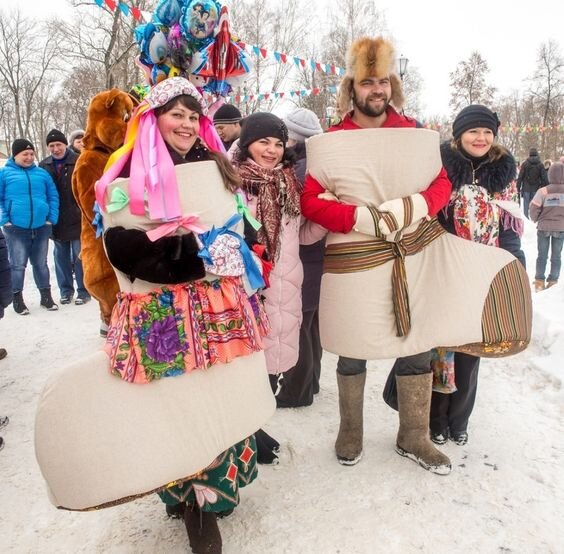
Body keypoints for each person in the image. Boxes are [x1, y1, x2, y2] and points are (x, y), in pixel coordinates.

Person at [36, 77, 274, 554]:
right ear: (155, 118)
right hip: (161, 311)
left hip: (217, 309)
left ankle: (216, 488)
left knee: (218, 395)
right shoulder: (126, 172)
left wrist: (235, 248)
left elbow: (237, 225)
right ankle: (189, 502)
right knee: (174, 402)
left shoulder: (215, 167)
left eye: (192, 115)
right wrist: (192, 255)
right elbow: (120, 243)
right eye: (176, 114)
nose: (185, 124)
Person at [300, 36, 453, 474]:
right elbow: (310, 200)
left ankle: (414, 435)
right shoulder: (334, 140)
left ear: (392, 85)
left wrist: (414, 206)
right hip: (356, 253)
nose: (377, 90)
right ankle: (350, 430)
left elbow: (440, 182)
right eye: (368, 82)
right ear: (353, 87)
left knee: (417, 343)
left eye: (383, 81)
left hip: (410, 251)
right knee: (353, 342)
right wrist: (357, 217)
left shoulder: (412, 133)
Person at [429, 104, 525, 446]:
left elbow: (510, 226)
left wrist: (515, 263)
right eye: (473, 131)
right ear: (459, 135)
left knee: (472, 350)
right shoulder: (440, 168)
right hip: (446, 270)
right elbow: (429, 218)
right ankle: (435, 419)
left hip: (483, 273)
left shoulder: (503, 173)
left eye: (486, 132)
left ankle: (459, 419)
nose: (480, 138)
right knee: (443, 348)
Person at [233, 112, 305, 462]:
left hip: (285, 285)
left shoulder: (288, 183)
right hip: (248, 287)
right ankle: (246, 436)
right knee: (245, 368)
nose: (272, 150)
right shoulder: (233, 182)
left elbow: (300, 232)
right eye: (264, 142)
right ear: (247, 143)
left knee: (270, 370)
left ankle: (254, 429)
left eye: (278, 143)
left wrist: (327, 219)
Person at [276, 107, 325, 408]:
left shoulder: (298, 170)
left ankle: (297, 391)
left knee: (299, 324)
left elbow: (299, 217)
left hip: (304, 254)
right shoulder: (319, 164)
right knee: (310, 323)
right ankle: (312, 381)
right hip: (317, 256)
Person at [0, 139, 59, 313]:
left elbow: (53, 196)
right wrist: (5, 220)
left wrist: (51, 218)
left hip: (41, 227)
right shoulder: (5, 174)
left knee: (41, 263)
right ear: (15, 155)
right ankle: (17, 298)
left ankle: (46, 296)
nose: (29, 157)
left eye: (31, 154)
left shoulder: (41, 174)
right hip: (16, 229)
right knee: (17, 265)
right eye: (24, 154)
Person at [40, 129, 90, 305]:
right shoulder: (43, 165)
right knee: (60, 258)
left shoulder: (77, 161)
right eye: (51, 146)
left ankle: (84, 291)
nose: (55, 148)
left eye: (58, 145)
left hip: (77, 217)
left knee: (79, 256)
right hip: (57, 219)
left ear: (65, 145)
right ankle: (66, 290)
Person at [529, 161, 564, 291]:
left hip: (544, 227)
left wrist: (535, 218)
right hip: (561, 228)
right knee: (557, 256)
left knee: (542, 254)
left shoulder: (543, 191)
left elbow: (534, 208)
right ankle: (553, 280)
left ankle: (539, 281)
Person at [517, 147, 548, 218]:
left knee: (526, 204)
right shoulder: (540, 164)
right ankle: (533, 218)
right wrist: (544, 187)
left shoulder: (525, 164)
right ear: (537, 154)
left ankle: (526, 218)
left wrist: (518, 187)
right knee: (535, 204)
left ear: (529, 154)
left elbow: (520, 176)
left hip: (526, 188)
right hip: (536, 188)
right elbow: (544, 178)